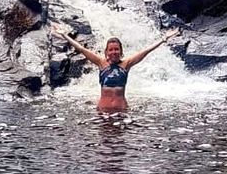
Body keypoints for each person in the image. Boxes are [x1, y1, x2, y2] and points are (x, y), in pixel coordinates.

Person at [51, 23, 181, 112]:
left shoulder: (126, 64)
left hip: (122, 111)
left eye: (116, 49)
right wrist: (64, 35)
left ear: (121, 51)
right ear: (106, 52)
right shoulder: (101, 63)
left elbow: (145, 51)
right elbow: (80, 48)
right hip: (102, 111)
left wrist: (164, 39)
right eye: (111, 50)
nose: (114, 52)